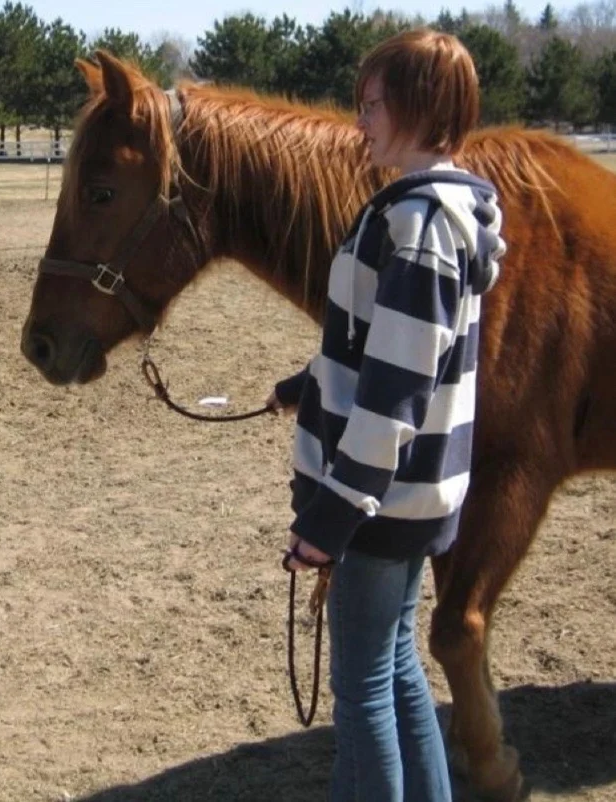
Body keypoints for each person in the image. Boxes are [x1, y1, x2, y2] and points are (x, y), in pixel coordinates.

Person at [273, 28, 506, 802]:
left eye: (372, 105)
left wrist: (332, 515)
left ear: (417, 106)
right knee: (396, 667)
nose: (361, 122)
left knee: (364, 687)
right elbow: (389, 350)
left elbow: (398, 390)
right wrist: (308, 386)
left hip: (379, 500)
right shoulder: (429, 214)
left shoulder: (418, 223)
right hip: (409, 496)